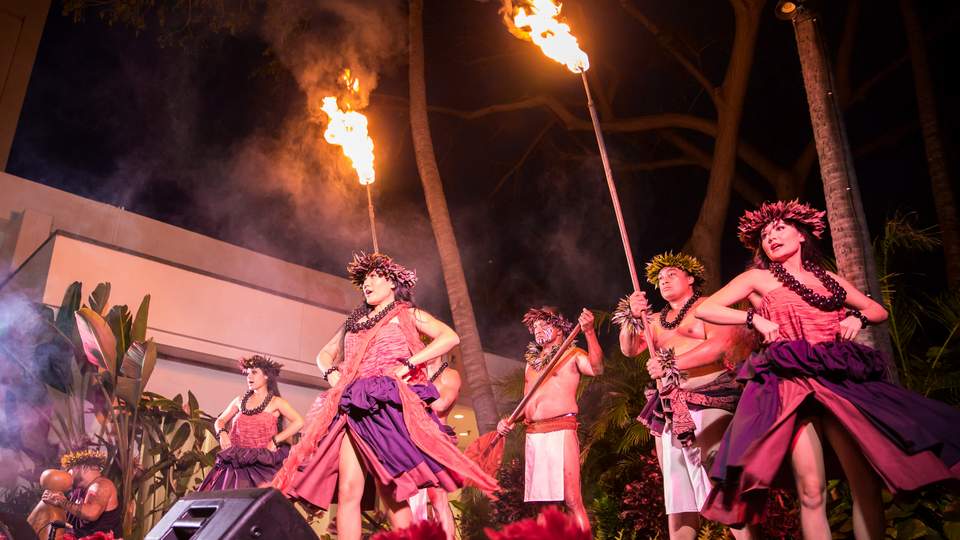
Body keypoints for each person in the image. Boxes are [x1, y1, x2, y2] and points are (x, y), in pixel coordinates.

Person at [695, 200, 960, 538]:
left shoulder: (829, 280)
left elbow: (877, 310)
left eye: (779, 228)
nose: (771, 237)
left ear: (801, 235)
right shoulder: (758, 278)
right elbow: (708, 309)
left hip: (838, 378)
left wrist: (856, 315)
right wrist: (753, 317)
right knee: (811, 487)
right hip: (791, 383)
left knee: (863, 482)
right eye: (764, 234)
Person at [272, 252, 498, 540]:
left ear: (392, 282)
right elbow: (324, 354)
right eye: (365, 278)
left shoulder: (407, 313)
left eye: (375, 276)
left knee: (391, 490)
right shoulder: (354, 320)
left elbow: (449, 337)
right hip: (352, 404)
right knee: (349, 490)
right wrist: (331, 373)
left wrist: (412, 363)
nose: (368, 282)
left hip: (386, 404)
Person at [616, 252, 752, 540]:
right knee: (678, 494)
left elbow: (718, 347)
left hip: (710, 395)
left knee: (719, 474)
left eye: (671, 275)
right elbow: (629, 349)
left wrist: (669, 363)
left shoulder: (709, 307)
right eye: (660, 278)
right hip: (668, 406)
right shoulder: (652, 320)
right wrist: (631, 315)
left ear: (691, 278)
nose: (664, 281)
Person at [496, 306, 602, 533]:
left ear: (561, 328)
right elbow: (526, 403)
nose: (538, 329)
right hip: (534, 433)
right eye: (535, 326)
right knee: (545, 506)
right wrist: (509, 421)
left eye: (545, 324)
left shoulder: (572, 355)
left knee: (572, 499)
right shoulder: (531, 363)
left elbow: (596, 368)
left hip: (560, 429)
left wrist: (589, 332)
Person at [198, 355, 304, 491]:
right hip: (235, 464)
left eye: (254, 372)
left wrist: (276, 440)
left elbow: (299, 421)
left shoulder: (276, 402)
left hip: (262, 465)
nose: (249, 377)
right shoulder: (239, 400)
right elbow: (220, 421)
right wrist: (222, 433)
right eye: (247, 373)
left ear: (266, 376)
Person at [408, 355, 461, 540]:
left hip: (438, 441)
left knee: (438, 499)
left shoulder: (450, 375)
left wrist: (412, 391)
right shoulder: (412, 374)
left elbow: (441, 404)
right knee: (413, 500)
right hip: (413, 441)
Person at [41, 450, 122, 539]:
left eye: (69, 470)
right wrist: (57, 502)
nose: (68, 474)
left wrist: (62, 502)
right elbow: (72, 521)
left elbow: (91, 514)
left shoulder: (101, 485)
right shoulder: (78, 491)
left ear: (83, 467)